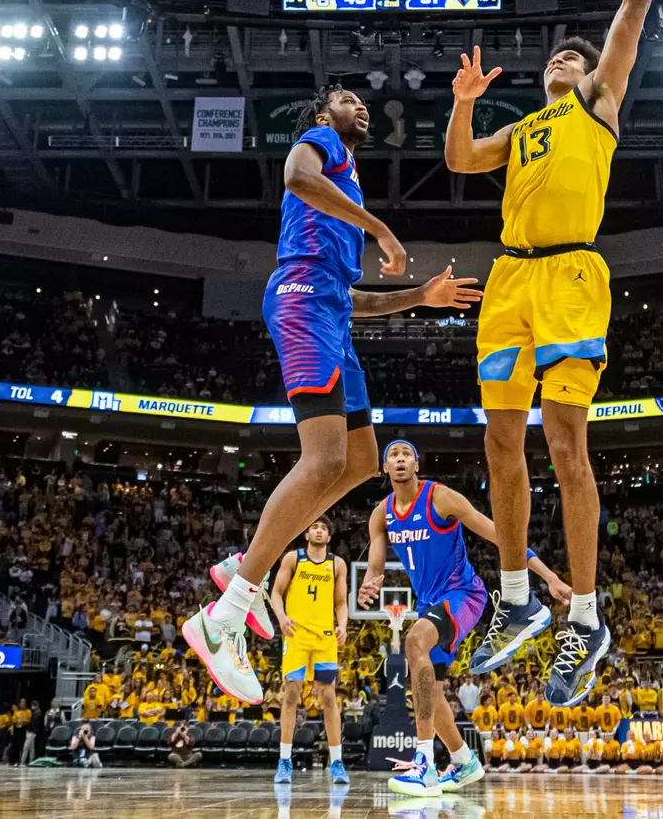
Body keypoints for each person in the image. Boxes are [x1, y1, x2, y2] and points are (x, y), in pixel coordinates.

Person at [443, 0, 663, 705]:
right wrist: (467, 98)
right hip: (508, 283)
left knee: (563, 444)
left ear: (589, 78)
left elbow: (633, 4)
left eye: (569, 59)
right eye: (553, 58)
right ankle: (515, 601)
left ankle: (583, 612)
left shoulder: (594, 104)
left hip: (572, 279)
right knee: (498, 444)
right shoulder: (523, 127)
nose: (559, 61)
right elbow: (460, 159)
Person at [183, 87, 483, 707]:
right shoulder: (320, 147)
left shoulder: (344, 188)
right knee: (320, 460)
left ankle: (246, 565)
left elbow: (354, 299)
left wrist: (418, 299)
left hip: (331, 311)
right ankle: (226, 613)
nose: (363, 106)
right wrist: (378, 228)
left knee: (358, 460)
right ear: (325, 115)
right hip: (301, 300)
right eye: (349, 98)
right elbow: (294, 177)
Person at [359, 439, 570, 796]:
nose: (398, 459)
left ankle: (424, 765)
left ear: (416, 465)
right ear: (384, 469)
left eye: (405, 454)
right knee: (432, 693)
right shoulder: (382, 513)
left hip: (463, 595)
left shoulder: (440, 498)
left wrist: (548, 576)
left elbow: (500, 535)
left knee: (413, 642)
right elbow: (376, 566)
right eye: (392, 455)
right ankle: (463, 761)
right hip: (430, 604)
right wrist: (369, 583)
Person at [269, 516, 350, 786]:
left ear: (329, 537)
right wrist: (281, 618)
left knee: (329, 697)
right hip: (297, 635)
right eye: (314, 526)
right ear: (306, 533)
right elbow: (276, 593)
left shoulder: (337, 564)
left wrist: (343, 625)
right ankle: (284, 761)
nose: (318, 530)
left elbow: (340, 602)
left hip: (325, 637)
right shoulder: (294, 558)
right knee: (291, 694)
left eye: (324, 528)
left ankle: (336, 762)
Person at [21, 700, 43, 765]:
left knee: (26, 746)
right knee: (31, 748)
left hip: (31, 732)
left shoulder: (36, 713)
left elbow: (33, 723)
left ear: (34, 705)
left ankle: (23, 762)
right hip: (32, 731)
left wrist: (26, 723)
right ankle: (31, 762)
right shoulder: (37, 712)